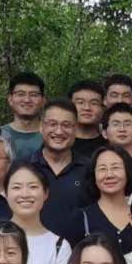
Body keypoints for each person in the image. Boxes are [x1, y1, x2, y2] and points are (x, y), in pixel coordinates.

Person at [31, 100, 88, 242]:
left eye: (66, 125)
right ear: (41, 127)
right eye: (52, 124)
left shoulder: (90, 169)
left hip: (78, 251)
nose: (59, 131)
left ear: (76, 129)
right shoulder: (24, 168)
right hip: (31, 250)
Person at [75, 145, 132, 252]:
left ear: (128, 172)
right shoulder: (81, 218)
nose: (109, 175)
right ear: (93, 176)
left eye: (115, 168)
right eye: (102, 169)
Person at [0, 72, 47, 163]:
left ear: (43, 100)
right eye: (20, 94)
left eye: (33, 95)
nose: (27, 100)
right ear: (10, 99)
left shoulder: (54, 135)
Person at [69, 79, 107, 160]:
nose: (87, 108)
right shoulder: (59, 143)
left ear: (102, 108)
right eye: (80, 102)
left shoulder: (110, 146)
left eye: (94, 103)